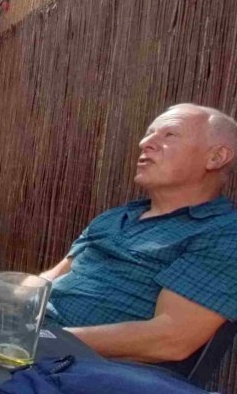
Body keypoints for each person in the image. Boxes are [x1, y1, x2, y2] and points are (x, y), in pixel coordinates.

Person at [41, 104, 237, 372]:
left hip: (76, 371)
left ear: (216, 157)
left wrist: (43, 339)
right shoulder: (115, 217)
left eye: (169, 135)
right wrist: (1, 300)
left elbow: (170, 339)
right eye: (149, 134)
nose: (145, 143)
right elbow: (50, 279)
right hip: (31, 341)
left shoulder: (223, 232)